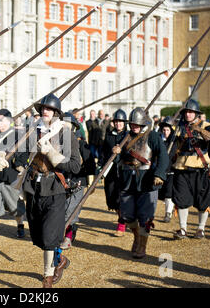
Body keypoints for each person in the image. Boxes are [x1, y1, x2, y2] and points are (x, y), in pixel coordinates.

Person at [19, 93, 81, 288]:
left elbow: (75, 166)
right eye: (43, 109)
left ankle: (47, 275)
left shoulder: (66, 134)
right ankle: (59, 259)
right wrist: (4, 156)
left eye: (49, 109)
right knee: (38, 235)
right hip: (34, 188)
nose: (45, 111)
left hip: (55, 188)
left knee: (48, 236)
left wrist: (52, 153)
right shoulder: (32, 131)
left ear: (56, 113)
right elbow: (20, 157)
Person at [113, 107, 168, 259]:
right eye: (132, 124)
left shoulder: (153, 136)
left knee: (145, 216)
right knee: (127, 215)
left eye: (137, 124)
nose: (134, 127)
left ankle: (142, 245)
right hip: (127, 180)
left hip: (146, 179)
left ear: (143, 123)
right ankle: (136, 237)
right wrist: (116, 152)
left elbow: (163, 156)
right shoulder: (124, 137)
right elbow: (119, 159)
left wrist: (159, 175)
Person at [0, 109, 29, 243]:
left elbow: (25, 154)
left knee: (15, 206)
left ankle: (20, 225)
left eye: (1, 120)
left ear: (9, 121)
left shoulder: (18, 136)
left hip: (11, 177)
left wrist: (16, 163)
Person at [171, 99, 210, 240]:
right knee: (182, 199)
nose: (188, 114)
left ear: (196, 114)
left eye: (191, 112)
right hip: (181, 167)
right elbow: (171, 147)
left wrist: (198, 129)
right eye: (186, 112)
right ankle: (183, 229)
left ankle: (200, 229)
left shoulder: (206, 125)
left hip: (201, 168)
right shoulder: (178, 127)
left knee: (203, 201)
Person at [60, 112, 96, 250]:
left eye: (66, 125)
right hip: (61, 181)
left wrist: (91, 182)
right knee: (61, 210)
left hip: (78, 181)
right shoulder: (57, 143)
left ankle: (68, 237)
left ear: (74, 127)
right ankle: (64, 233)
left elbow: (90, 164)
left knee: (71, 210)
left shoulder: (81, 144)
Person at [100, 109, 128, 237]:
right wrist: (100, 166)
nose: (118, 124)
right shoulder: (109, 135)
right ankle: (122, 217)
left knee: (121, 198)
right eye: (116, 122)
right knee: (112, 198)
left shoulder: (128, 136)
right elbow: (104, 152)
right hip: (111, 172)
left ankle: (121, 223)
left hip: (124, 172)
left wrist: (121, 152)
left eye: (120, 122)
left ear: (124, 123)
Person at [157, 116, 177, 223]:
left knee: (169, 193)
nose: (166, 132)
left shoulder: (175, 141)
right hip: (161, 170)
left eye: (168, 130)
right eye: (164, 130)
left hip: (172, 170)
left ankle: (168, 213)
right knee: (160, 192)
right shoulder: (159, 140)